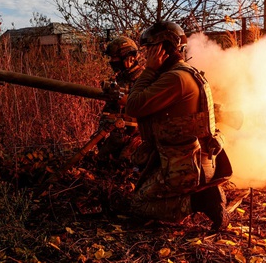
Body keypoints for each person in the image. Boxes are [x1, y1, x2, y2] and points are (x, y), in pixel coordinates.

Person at [125, 21, 232, 232]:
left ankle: (203, 200)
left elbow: (133, 105)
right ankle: (200, 194)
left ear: (161, 49)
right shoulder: (184, 73)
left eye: (149, 50)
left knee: (138, 204)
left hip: (187, 168)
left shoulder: (175, 79)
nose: (146, 56)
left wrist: (149, 70)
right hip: (194, 161)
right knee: (143, 186)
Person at [96, 36, 145, 162]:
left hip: (138, 137)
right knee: (102, 159)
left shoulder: (144, 80)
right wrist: (101, 131)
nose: (112, 61)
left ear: (129, 58)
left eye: (114, 58)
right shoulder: (119, 79)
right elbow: (109, 110)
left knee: (126, 162)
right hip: (118, 135)